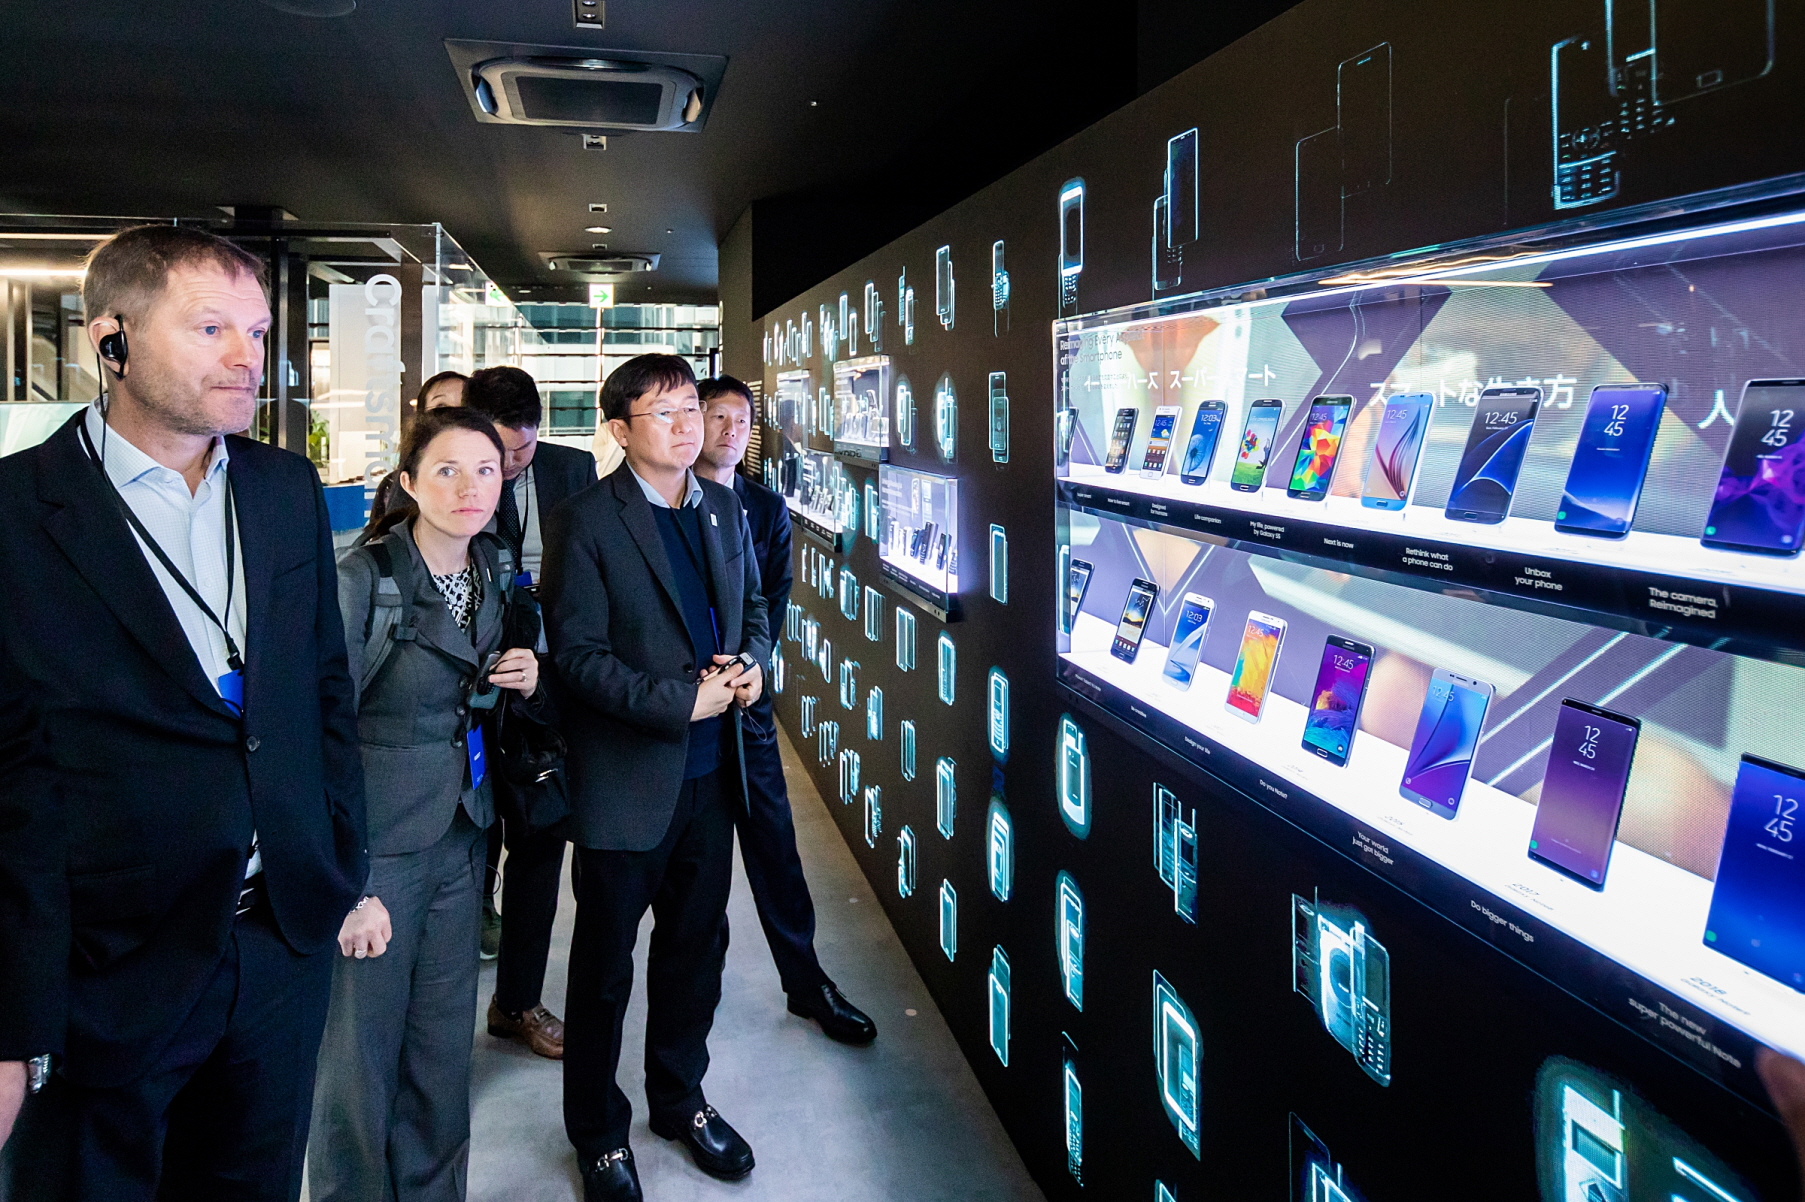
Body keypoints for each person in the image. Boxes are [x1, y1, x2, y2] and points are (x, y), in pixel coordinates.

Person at [0, 224, 367, 1199]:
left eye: (258, 330)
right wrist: (13, 1015)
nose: (249, 356)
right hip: (106, 968)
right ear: (111, 340)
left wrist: (340, 857)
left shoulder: (282, 487)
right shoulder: (18, 512)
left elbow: (320, 690)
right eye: (211, 328)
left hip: (278, 944)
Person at [542, 354, 768, 1202]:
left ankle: (679, 1099)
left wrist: (752, 665)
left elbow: (753, 610)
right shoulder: (585, 520)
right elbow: (578, 657)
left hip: (712, 779)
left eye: (690, 410)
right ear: (618, 429)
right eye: (664, 413)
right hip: (626, 782)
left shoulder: (722, 506)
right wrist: (680, 701)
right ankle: (598, 1133)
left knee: (694, 951)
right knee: (604, 968)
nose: (686, 427)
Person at [308, 405, 540, 1201]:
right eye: (446, 470)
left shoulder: (494, 568)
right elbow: (314, 735)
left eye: (485, 470)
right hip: (376, 849)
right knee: (357, 1061)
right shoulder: (362, 580)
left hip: (463, 833)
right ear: (408, 482)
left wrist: (527, 673)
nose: (469, 487)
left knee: (442, 1050)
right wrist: (346, 883)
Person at [694, 375, 876, 1044]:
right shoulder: (669, 502)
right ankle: (698, 987)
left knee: (774, 844)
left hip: (746, 702)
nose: (731, 430)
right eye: (718, 417)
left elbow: (772, 599)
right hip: (684, 707)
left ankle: (806, 983)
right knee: (699, 862)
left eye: (742, 420)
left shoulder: (765, 507)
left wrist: (750, 663)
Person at [462, 364, 597, 1057]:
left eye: (524, 448)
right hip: (469, 694)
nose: (513, 464)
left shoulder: (573, 470)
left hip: (548, 691)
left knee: (540, 845)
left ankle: (516, 1002)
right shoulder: (448, 473)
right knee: (468, 848)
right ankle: (438, 1012)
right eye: (501, 450)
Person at [363, 370, 468, 538]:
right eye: (441, 407)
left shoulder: (493, 479)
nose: (454, 414)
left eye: (465, 406)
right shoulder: (392, 484)